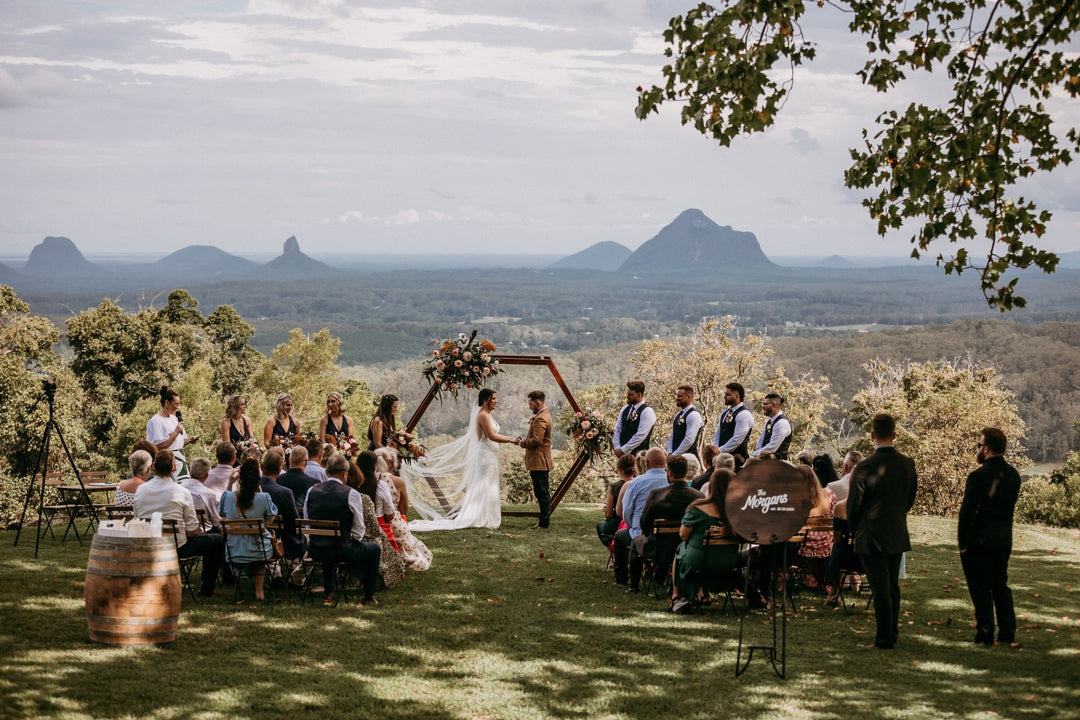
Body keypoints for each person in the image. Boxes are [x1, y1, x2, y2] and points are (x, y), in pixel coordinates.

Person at [400, 388, 518, 531]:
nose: (496, 401)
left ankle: (487, 516)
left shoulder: (489, 414)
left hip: (491, 454)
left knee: (490, 483)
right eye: (493, 398)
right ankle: (477, 516)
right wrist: (512, 439)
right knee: (483, 483)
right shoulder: (482, 415)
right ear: (486, 400)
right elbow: (491, 436)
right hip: (486, 454)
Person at [847, 413, 918, 650]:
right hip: (896, 531)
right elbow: (910, 498)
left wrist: (855, 529)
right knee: (892, 586)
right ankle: (892, 632)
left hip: (871, 534)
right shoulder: (907, 464)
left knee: (880, 588)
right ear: (894, 435)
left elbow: (853, 506)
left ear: (872, 435)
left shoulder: (864, 467)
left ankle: (884, 639)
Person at [958, 427, 1022, 647]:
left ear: (986, 448)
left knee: (981, 588)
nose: (978, 449)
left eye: (979, 445)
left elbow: (967, 513)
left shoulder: (978, 476)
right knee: (1000, 584)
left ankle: (985, 633)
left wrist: (963, 543)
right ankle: (1007, 631)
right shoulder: (1013, 475)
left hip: (979, 541)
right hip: (1003, 539)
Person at [133, 450, 225, 598]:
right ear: (174, 468)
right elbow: (192, 529)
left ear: (154, 466)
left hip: (149, 543)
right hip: (177, 547)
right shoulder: (181, 491)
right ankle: (207, 589)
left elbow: (137, 520)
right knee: (218, 540)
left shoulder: (141, 490)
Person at [303, 454, 381, 606]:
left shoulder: (312, 491)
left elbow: (307, 522)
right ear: (345, 472)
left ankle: (329, 592)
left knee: (329, 548)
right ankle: (369, 595)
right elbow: (359, 528)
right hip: (342, 549)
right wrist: (352, 543)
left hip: (316, 549)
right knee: (375, 549)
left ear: (326, 472)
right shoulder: (351, 494)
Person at [670, 468, 738, 614]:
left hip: (699, 561)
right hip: (729, 561)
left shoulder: (698, 508)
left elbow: (683, 535)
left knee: (681, 549)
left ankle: (676, 595)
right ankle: (704, 593)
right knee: (703, 552)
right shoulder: (738, 512)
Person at [638, 454, 704, 592]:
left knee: (635, 542)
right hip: (688, 546)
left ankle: (633, 585)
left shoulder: (656, 494)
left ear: (670, 473)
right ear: (685, 472)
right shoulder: (698, 496)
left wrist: (647, 534)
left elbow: (645, 522)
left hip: (659, 548)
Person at [219, 459, 278, 601]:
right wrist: (260, 489)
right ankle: (259, 592)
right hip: (259, 552)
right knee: (259, 558)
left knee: (252, 549)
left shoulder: (227, 497)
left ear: (240, 478)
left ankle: (241, 585)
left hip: (234, 550)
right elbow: (270, 520)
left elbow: (221, 513)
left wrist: (229, 483)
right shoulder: (263, 498)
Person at [612, 448, 670, 591]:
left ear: (647, 463)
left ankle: (622, 578)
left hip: (642, 534)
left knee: (620, 536)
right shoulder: (671, 481)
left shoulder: (637, 482)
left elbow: (626, 511)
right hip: (669, 536)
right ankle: (659, 577)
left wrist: (633, 526)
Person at [350, 455, 405, 588]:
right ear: (375, 466)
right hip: (377, 526)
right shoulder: (380, 485)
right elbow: (390, 513)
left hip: (352, 528)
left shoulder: (351, 485)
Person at [374, 449, 432, 571]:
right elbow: (404, 510)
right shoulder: (398, 481)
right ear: (391, 462)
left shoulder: (368, 479)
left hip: (374, 522)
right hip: (394, 523)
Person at [516, 389, 553, 529]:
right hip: (540, 461)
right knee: (541, 491)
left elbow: (537, 440)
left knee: (542, 492)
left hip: (539, 461)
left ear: (537, 402)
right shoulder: (543, 415)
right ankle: (543, 521)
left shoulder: (541, 418)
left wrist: (522, 443)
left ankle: (544, 523)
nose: (529, 406)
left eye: (530, 403)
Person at [796, 464, 836, 589]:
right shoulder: (829, 495)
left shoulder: (795, 499)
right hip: (826, 543)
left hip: (803, 545)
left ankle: (808, 576)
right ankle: (823, 578)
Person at [258, 448, 302, 562]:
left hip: (254, 538)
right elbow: (294, 520)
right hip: (282, 541)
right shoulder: (284, 492)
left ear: (261, 467)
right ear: (279, 471)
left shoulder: (250, 489)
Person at [146, 386, 196, 480]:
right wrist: (175, 432)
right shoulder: (155, 421)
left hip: (180, 459)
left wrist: (189, 440)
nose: (177, 407)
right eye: (175, 404)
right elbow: (157, 447)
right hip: (166, 462)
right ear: (167, 403)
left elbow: (179, 443)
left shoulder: (175, 419)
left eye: (179, 404)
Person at [598, 454, 636, 547]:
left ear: (620, 470)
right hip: (634, 521)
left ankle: (613, 553)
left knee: (600, 526)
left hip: (618, 522)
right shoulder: (639, 483)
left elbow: (609, 514)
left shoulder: (614, 487)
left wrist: (607, 510)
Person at [713, 382, 754, 469]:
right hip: (722, 459)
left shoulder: (744, 414)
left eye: (728, 394)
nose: (724, 397)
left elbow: (737, 439)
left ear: (736, 396)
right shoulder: (724, 413)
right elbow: (718, 434)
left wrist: (720, 451)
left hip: (738, 461)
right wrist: (715, 449)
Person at [612, 381, 655, 458]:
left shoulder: (647, 411)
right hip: (622, 456)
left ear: (639, 395)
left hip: (639, 457)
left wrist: (623, 450)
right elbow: (617, 429)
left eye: (631, 395)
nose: (627, 396)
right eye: (627, 394)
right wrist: (617, 447)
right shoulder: (625, 409)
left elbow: (640, 435)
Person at [181, 457, 222, 533]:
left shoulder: (179, 488)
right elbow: (216, 522)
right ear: (206, 475)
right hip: (203, 534)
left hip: (183, 532)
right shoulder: (208, 493)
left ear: (190, 470)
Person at [753, 392, 792, 461]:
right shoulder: (769, 421)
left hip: (778, 464)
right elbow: (761, 440)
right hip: (764, 461)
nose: (763, 406)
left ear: (773, 405)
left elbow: (772, 447)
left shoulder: (781, 423)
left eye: (765, 404)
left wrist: (755, 454)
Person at [667, 385, 704, 458]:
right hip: (675, 458)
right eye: (677, 396)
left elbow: (689, 440)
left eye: (680, 396)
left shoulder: (694, 415)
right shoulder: (678, 415)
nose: (677, 398)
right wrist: (670, 452)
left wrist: (675, 454)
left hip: (688, 458)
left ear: (689, 397)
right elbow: (672, 435)